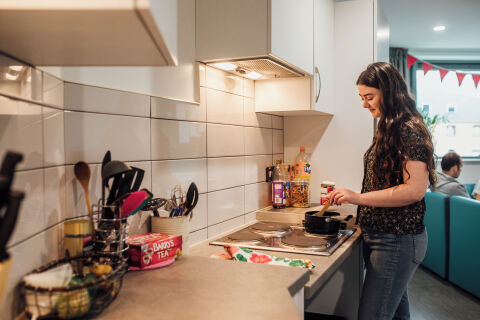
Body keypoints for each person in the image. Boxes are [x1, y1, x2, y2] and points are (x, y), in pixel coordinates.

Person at [328, 62, 435, 320]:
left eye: (370, 97)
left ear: (389, 92)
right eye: (362, 98)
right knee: (396, 315)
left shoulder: (409, 129)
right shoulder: (388, 127)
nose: (365, 104)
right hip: (383, 237)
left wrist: (358, 197)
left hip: (397, 239)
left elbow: (414, 190)